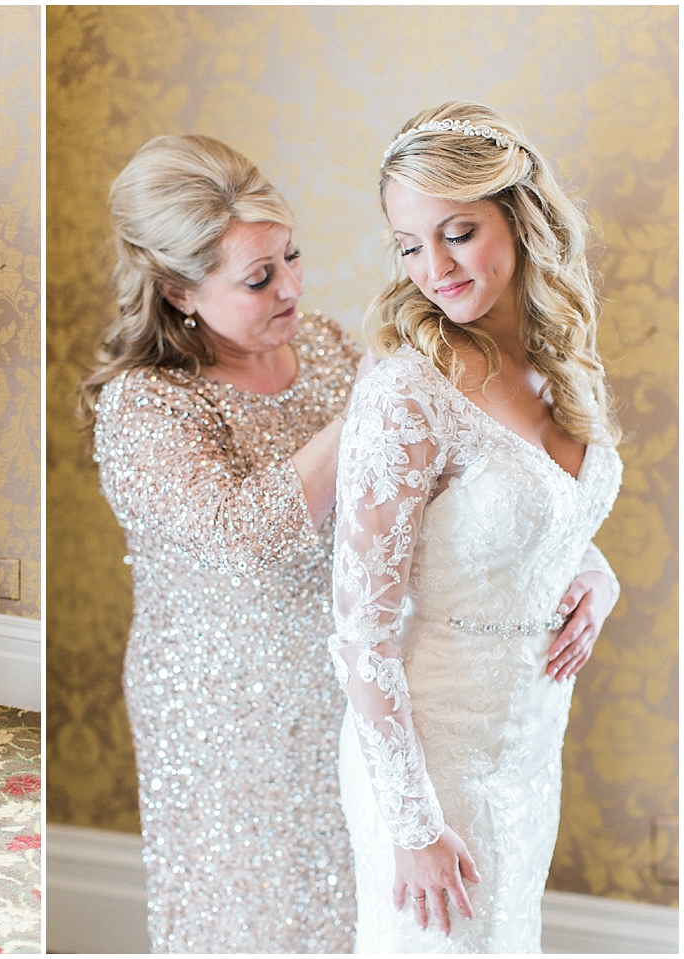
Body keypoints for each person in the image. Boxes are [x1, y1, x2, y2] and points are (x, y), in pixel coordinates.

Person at [331, 101, 622, 953]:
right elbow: (360, 630)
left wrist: (598, 577)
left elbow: (540, 520)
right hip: (431, 763)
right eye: (409, 244)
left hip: (529, 743)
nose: (434, 268)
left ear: (520, 218)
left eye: (458, 233)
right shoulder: (406, 392)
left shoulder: (562, 362)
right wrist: (413, 824)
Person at [82, 133, 360, 953]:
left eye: (291, 256)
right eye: (259, 277)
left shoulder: (328, 348)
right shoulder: (146, 406)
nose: (293, 287)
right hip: (224, 710)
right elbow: (245, 537)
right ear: (178, 289)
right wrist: (366, 416)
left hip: (353, 689)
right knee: (251, 920)